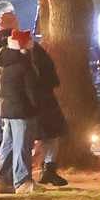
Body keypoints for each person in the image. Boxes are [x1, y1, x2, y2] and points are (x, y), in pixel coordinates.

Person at [0, 30, 38, 194]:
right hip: (23, 110)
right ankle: (22, 181)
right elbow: (32, 92)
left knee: (8, 145)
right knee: (22, 145)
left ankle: (1, 180)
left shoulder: (3, 64)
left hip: (7, 109)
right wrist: (37, 108)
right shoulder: (25, 66)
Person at [29, 38, 69, 186]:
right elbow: (53, 79)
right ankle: (48, 170)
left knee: (27, 138)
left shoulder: (11, 58)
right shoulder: (39, 55)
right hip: (44, 103)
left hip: (27, 104)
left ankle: (42, 172)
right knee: (51, 137)